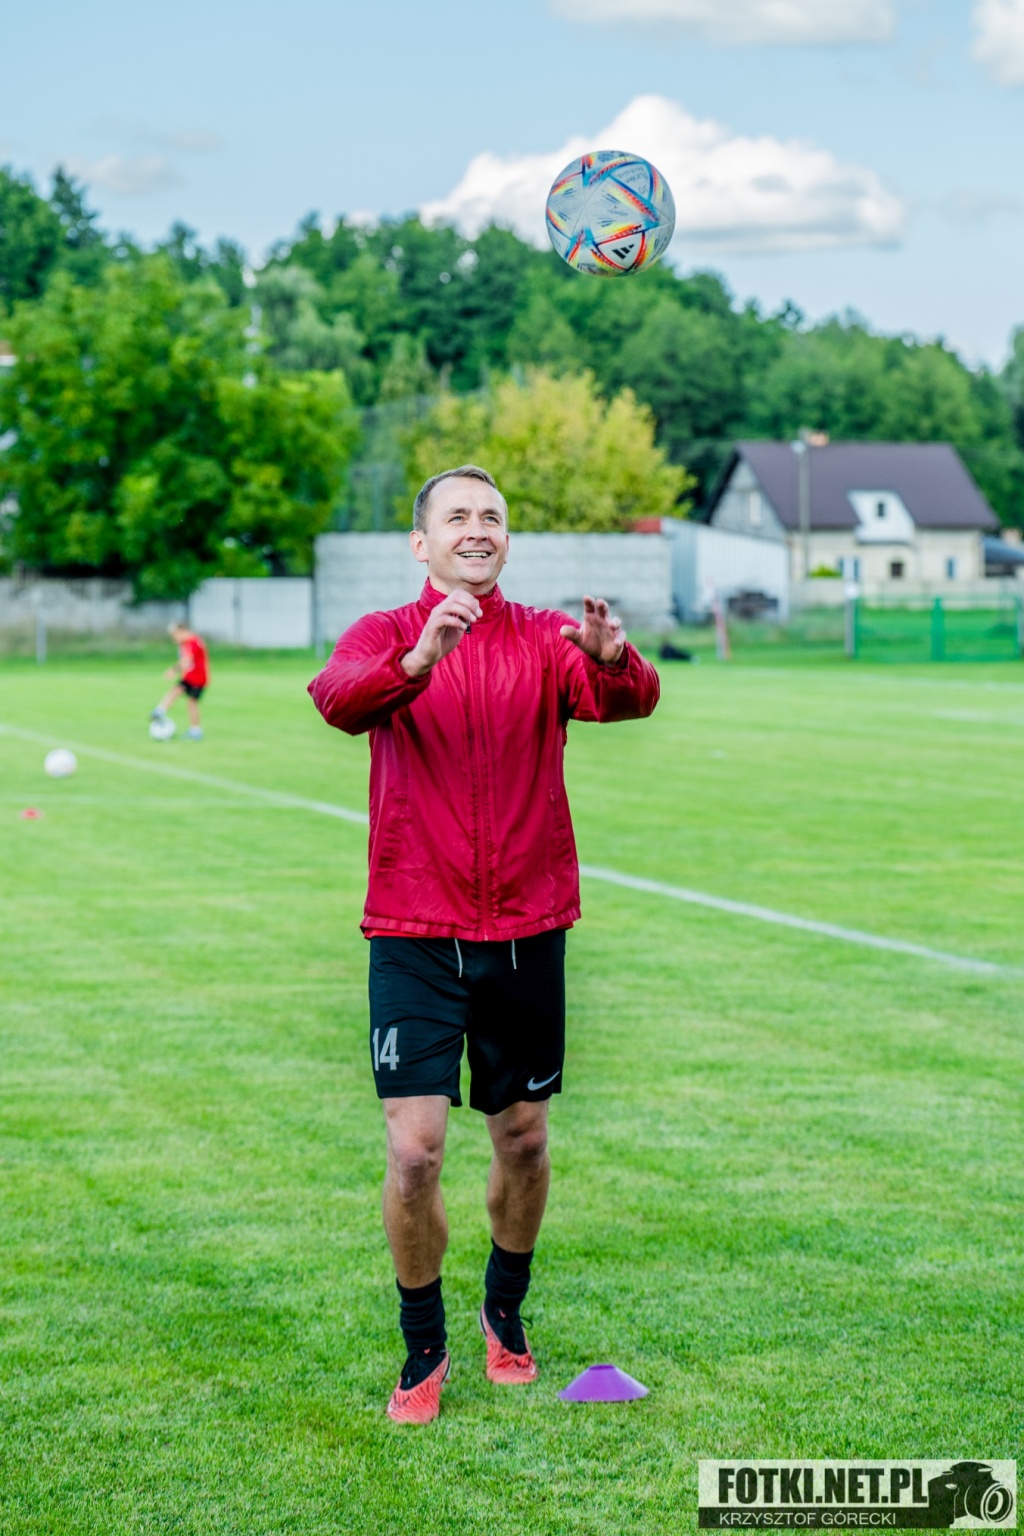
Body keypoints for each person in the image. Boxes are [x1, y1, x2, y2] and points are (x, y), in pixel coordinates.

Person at [308, 464, 660, 1424]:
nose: (477, 529)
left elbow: (630, 700)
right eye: (457, 516)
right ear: (420, 542)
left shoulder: (546, 637)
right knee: (415, 1153)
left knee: (525, 1139)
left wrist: (614, 661)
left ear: (506, 539)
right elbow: (338, 698)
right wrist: (417, 659)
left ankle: (505, 1311)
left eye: (492, 517)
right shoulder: (383, 633)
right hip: (414, 930)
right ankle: (424, 1347)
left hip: (525, 930)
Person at [151, 622, 209, 740]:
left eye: (175, 635)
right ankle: (160, 711)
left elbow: (187, 660)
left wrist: (174, 670)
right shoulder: (186, 643)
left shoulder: (194, 642)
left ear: (182, 631)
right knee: (177, 691)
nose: (174, 639)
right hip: (190, 676)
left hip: (197, 678)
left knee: (191, 703)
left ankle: (196, 731)